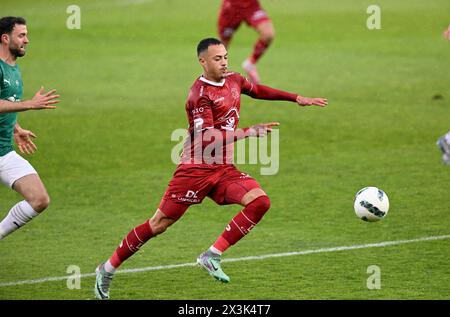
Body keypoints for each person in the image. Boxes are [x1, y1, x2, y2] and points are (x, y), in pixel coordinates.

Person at [94, 37, 327, 300]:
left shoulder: (234, 80)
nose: (224, 62)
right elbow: (208, 138)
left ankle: (211, 255)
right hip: (195, 169)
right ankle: (107, 268)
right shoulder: (199, 95)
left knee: (260, 202)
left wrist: (297, 98)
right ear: (202, 62)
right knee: (158, 224)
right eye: (218, 59)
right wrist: (247, 132)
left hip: (223, 168)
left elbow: (258, 90)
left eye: (226, 56)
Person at [0, 16, 60, 240]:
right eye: (21, 35)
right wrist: (29, 105)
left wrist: (16, 128)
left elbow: (7, 102)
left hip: (3, 152)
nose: (27, 40)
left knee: (39, 199)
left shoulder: (13, 69)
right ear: (5, 38)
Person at [218, 0, 275, 84]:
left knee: (268, 34)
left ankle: (250, 64)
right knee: (222, 45)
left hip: (251, 6)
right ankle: (213, 77)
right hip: (231, 7)